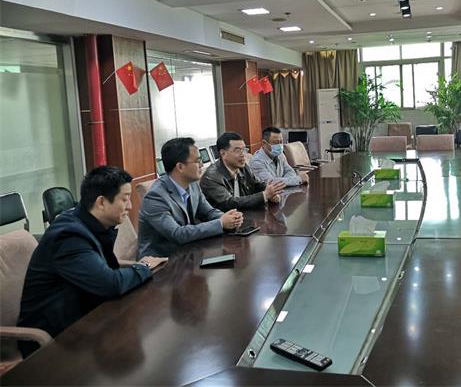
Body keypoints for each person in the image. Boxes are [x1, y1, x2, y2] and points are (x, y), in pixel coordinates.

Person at [18, 166, 167, 355]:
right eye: (125, 199)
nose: (130, 206)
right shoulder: (69, 237)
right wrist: (144, 266)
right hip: (53, 340)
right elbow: (110, 284)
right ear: (101, 202)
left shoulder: (89, 223)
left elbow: (106, 273)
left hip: (84, 318)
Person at [138, 137, 243, 258]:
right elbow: (177, 234)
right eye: (197, 161)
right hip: (162, 261)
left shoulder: (192, 184)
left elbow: (208, 212)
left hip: (189, 253)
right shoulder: (155, 197)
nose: (202, 165)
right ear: (180, 167)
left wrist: (229, 218)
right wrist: (220, 223)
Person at [200, 132, 285, 210]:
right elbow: (229, 203)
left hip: (245, 215)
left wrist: (272, 193)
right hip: (224, 219)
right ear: (223, 153)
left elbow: (258, 185)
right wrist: (264, 195)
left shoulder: (243, 167)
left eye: (244, 150)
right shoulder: (211, 177)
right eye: (238, 151)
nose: (243, 154)